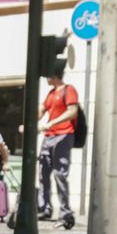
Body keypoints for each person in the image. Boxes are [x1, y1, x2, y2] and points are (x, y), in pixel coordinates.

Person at [36, 70, 82, 222]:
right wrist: (28, 123)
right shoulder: (50, 93)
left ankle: (64, 210)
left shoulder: (69, 90)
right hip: (49, 137)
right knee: (43, 172)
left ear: (54, 76)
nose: (46, 79)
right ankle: (45, 208)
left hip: (64, 135)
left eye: (48, 76)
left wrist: (51, 123)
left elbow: (72, 112)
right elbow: (41, 110)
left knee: (59, 174)